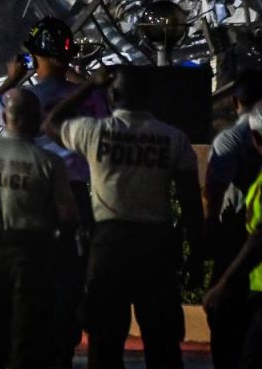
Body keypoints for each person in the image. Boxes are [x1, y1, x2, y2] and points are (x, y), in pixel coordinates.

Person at [45, 66, 204, 369]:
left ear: (113, 95)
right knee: (163, 344)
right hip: (156, 247)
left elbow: (52, 123)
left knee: (104, 344)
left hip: (109, 246)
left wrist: (89, 85)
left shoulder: (95, 132)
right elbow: (191, 205)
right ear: (148, 97)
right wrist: (195, 256)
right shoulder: (174, 139)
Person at [0, 16, 101, 366]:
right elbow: (101, 97)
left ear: (34, 57)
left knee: (32, 285)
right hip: (77, 197)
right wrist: (79, 77)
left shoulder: (22, 100)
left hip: (31, 201)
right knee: (69, 283)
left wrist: (13, 77)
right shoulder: (89, 100)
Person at [0, 89, 77, 369]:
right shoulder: (47, 162)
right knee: (28, 336)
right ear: (34, 119)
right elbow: (67, 215)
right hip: (31, 256)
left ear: (6, 117)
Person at [203, 69, 262, 369]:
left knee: (225, 316)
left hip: (237, 235)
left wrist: (210, 226)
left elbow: (214, 189)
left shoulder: (230, 139)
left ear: (236, 101)